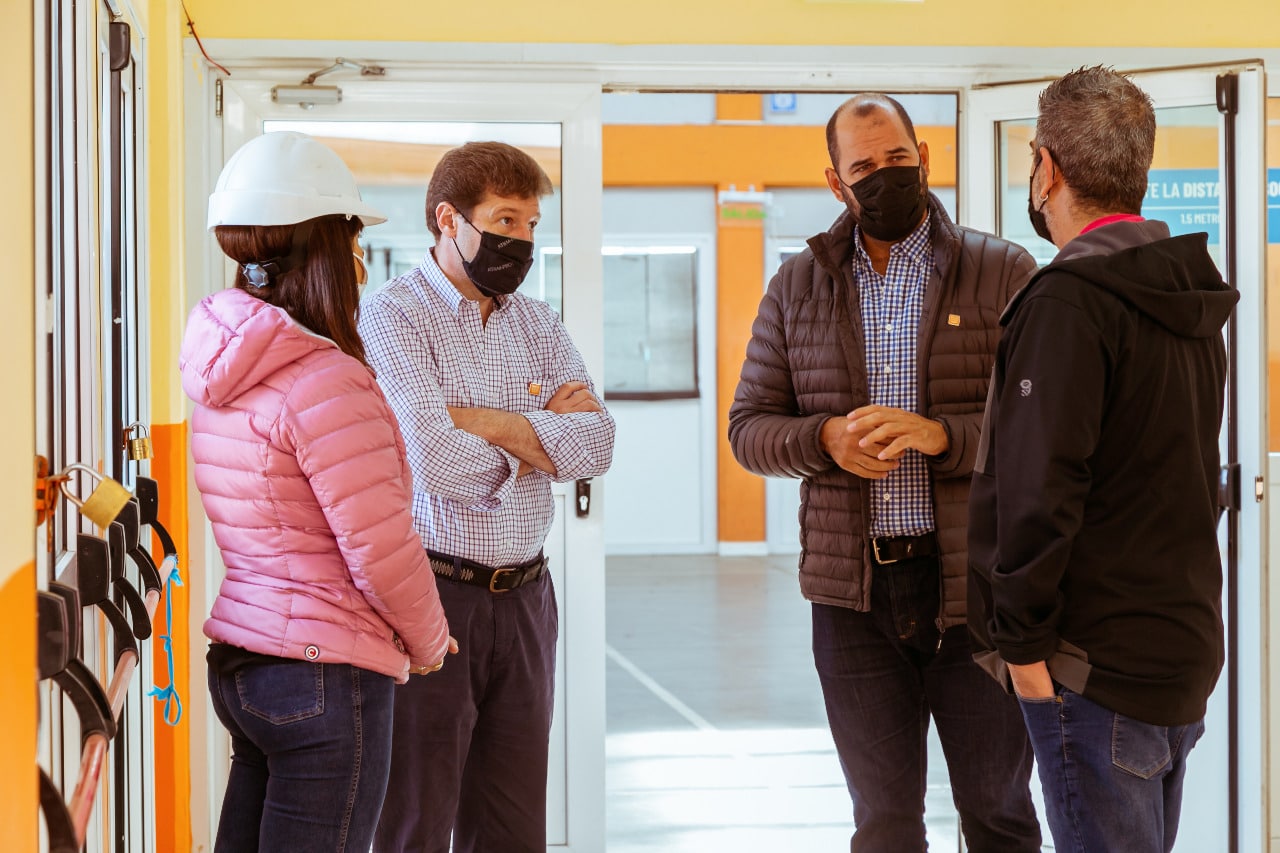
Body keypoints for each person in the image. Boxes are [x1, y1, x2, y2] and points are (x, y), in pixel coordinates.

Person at [728, 94, 1041, 852]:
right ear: (835, 181)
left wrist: (944, 437)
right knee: (884, 823)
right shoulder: (796, 285)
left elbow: (1044, 428)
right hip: (854, 601)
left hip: (975, 593)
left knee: (997, 813)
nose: (884, 176)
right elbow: (748, 430)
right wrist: (824, 438)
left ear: (923, 158)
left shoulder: (1003, 270)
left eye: (897, 158)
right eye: (863, 166)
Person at [968, 65, 1236, 853]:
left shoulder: (1067, 302)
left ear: (1046, 168)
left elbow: (1038, 494)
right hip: (1177, 654)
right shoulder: (1187, 296)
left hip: (1093, 674)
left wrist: (1023, 653)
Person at [181, 130, 454, 853]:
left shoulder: (222, 369)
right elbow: (380, 547)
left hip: (246, 662)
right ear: (329, 248)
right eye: (353, 237)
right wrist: (428, 641)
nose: (360, 258)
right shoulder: (325, 379)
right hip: (324, 676)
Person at [362, 141, 616, 853]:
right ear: (449, 219)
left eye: (531, 224)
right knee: (414, 822)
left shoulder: (537, 322)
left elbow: (597, 445)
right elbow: (436, 461)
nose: (522, 241)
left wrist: (479, 420)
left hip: (528, 600)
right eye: (506, 220)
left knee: (513, 827)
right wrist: (541, 436)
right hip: (432, 598)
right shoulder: (392, 316)